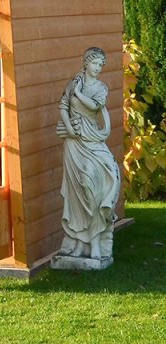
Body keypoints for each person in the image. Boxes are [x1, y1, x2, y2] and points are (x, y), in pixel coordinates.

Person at [56, 47, 120, 260]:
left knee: (91, 184)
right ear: (85, 63)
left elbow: (95, 105)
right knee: (76, 193)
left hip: (92, 141)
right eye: (95, 63)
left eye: (101, 65)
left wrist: (79, 93)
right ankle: (81, 244)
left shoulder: (100, 88)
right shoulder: (73, 83)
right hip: (74, 143)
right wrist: (70, 128)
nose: (98, 68)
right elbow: (63, 105)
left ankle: (95, 241)